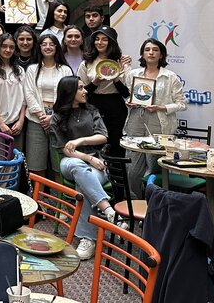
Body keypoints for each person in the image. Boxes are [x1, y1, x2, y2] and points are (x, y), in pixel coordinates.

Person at [51, 76, 123, 261]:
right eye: (81, 88)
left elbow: (104, 136)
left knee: (84, 186)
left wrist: (80, 140)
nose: (86, 91)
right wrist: (87, 157)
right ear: (69, 92)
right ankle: (108, 210)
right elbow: (63, 149)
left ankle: (87, 239)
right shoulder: (57, 117)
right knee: (77, 166)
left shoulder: (92, 110)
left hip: (97, 162)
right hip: (71, 161)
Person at [123, 38, 187, 198]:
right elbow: (130, 97)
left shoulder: (170, 77)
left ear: (161, 54)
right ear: (142, 54)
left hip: (159, 124)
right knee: (132, 171)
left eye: (155, 50)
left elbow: (182, 104)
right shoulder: (133, 74)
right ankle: (136, 204)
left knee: (154, 170)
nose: (151, 52)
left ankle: (154, 204)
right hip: (135, 122)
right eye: (147, 49)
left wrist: (160, 107)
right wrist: (129, 103)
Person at [23, 34, 73, 179]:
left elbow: (68, 95)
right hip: (35, 119)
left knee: (59, 164)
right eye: (44, 44)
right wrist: (41, 116)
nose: (48, 47)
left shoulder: (65, 70)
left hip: (59, 119)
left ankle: (58, 199)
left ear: (57, 47)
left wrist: (53, 117)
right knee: (36, 164)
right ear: (39, 47)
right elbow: (29, 92)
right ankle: (38, 199)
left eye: (51, 44)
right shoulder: (32, 69)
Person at [77, 26, 132, 156]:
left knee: (116, 144)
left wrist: (116, 78)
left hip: (115, 106)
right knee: (95, 142)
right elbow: (82, 91)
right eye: (97, 39)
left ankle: (117, 175)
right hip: (93, 104)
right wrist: (96, 82)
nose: (99, 43)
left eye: (104, 40)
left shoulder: (122, 62)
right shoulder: (86, 63)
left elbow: (127, 93)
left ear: (111, 42)